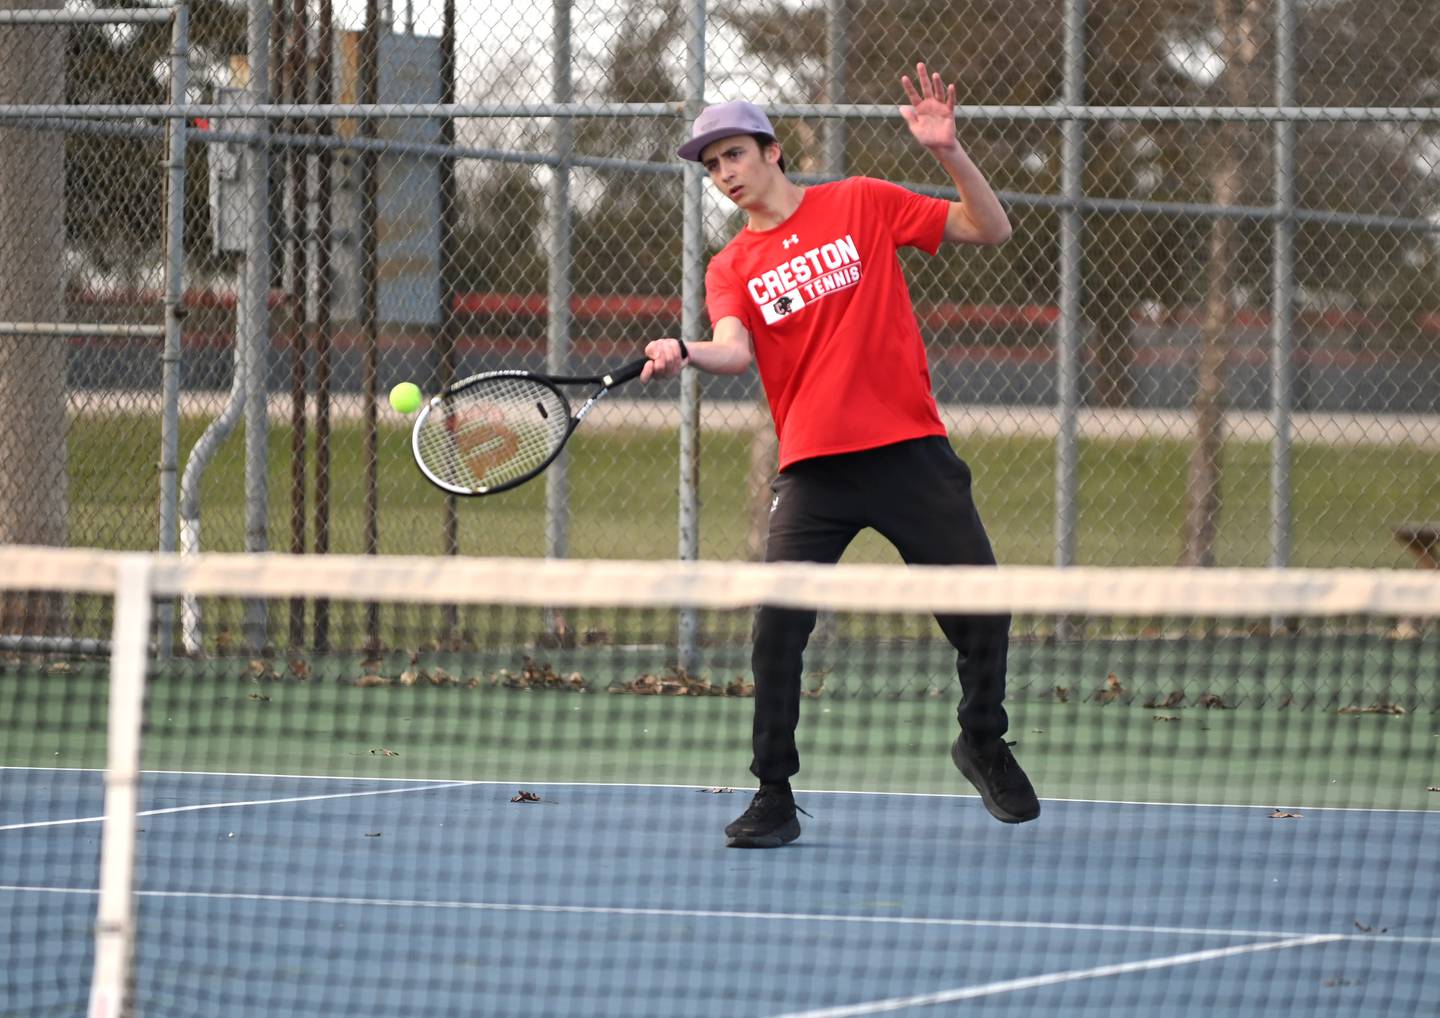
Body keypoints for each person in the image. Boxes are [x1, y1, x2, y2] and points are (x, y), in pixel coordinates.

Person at [641, 63, 1039, 848]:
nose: (723, 174)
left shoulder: (859, 201)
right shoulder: (733, 266)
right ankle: (773, 795)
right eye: (711, 164)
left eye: (732, 155)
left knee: (983, 609)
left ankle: (982, 740)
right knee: (777, 629)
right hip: (815, 469)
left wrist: (949, 151)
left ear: (772, 151)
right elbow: (733, 351)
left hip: (909, 451)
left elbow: (990, 229)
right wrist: (686, 349)